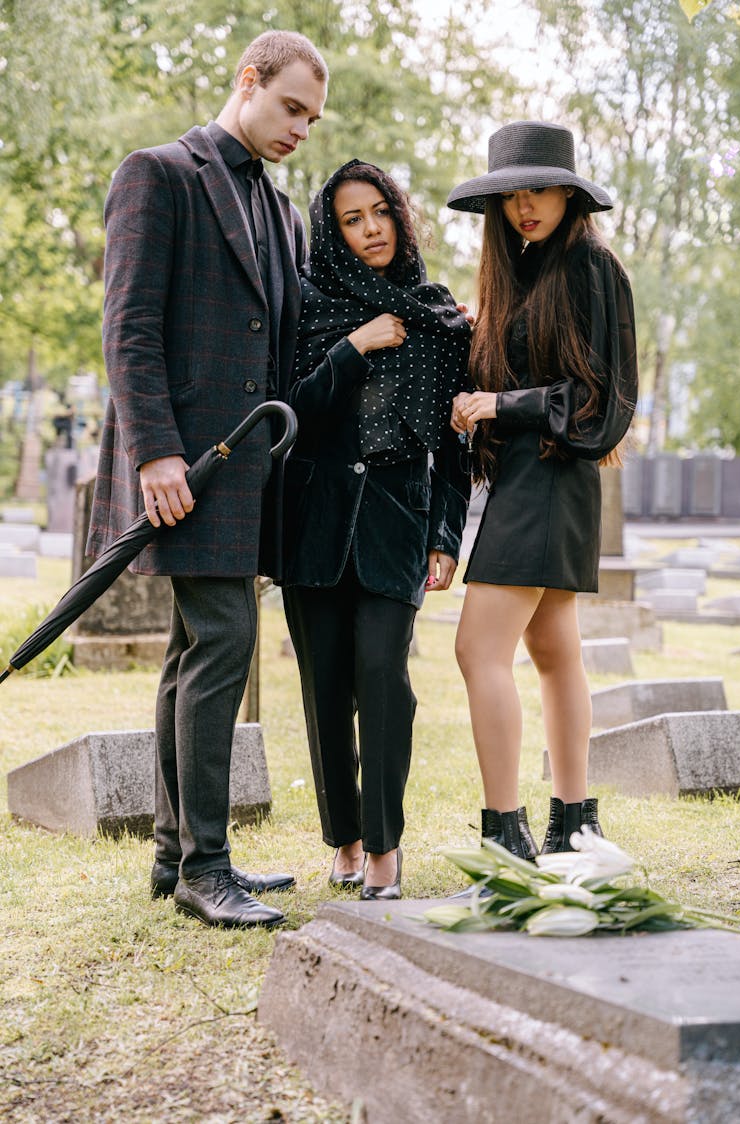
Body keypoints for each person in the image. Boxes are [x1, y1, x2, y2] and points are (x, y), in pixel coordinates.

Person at [86, 31, 328, 928]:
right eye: (290, 107)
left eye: (311, 118)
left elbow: (290, 339)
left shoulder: (283, 210)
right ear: (248, 82)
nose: (299, 128)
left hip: (249, 468)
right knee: (224, 644)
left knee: (196, 650)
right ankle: (206, 866)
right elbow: (130, 325)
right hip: (185, 461)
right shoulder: (160, 173)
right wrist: (154, 450)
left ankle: (171, 854)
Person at [447, 120, 638, 858]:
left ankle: (508, 836)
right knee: (554, 650)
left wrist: (502, 404)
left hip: (555, 477)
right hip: (532, 478)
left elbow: (603, 398)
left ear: (569, 193)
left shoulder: (591, 268)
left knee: (477, 649)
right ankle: (573, 823)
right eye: (511, 193)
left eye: (539, 189)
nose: (525, 205)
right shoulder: (525, 271)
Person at [282, 160, 471, 899]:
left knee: (384, 682)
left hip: (398, 521)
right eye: (352, 219)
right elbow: (291, 409)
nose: (370, 230)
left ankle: (386, 850)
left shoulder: (439, 314)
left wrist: (447, 535)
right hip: (315, 523)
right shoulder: (308, 304)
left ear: (399, 214)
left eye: (379, 212)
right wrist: (354, 345)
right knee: (325, 687)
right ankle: (346, 841)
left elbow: (453, 446)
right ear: (333, 230)